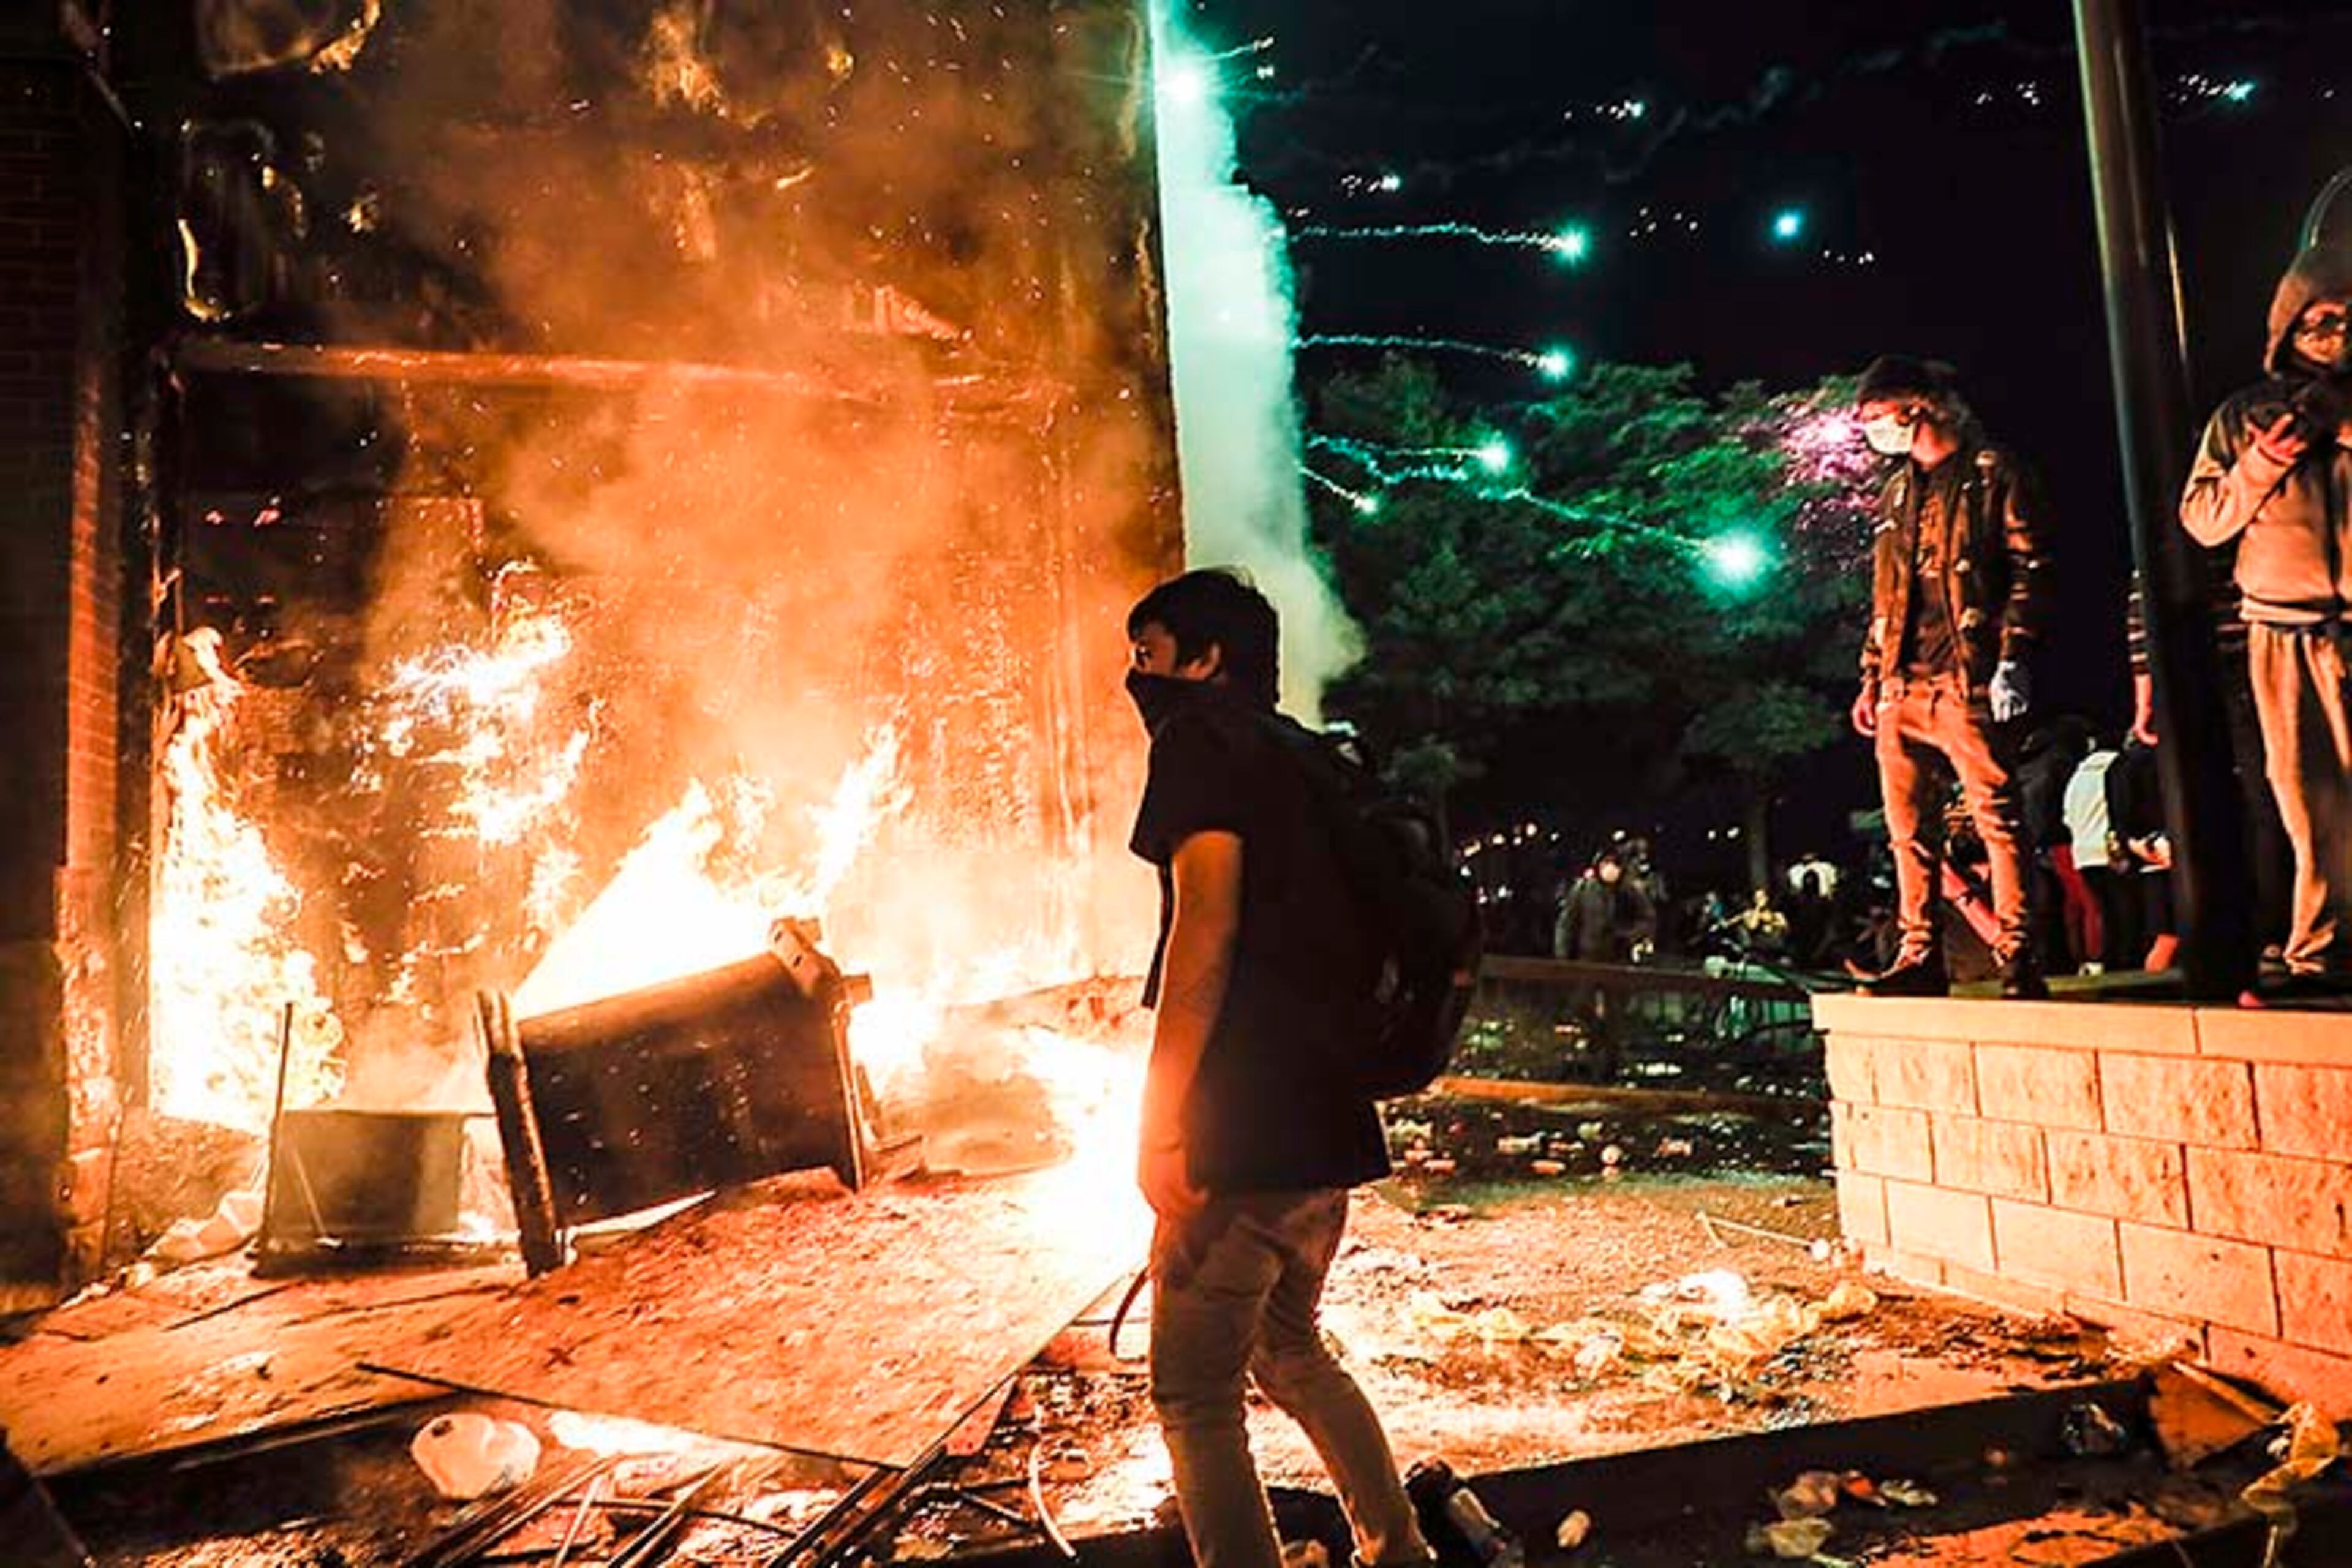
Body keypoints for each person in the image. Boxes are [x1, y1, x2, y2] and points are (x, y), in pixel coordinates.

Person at [1122, 568, 1431, 1568]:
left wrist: (1162, 1118)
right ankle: (1400, 1550)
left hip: (1244, 1128)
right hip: (1327, 1123)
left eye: (1150, 655)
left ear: (1207, 662)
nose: (1137, 678)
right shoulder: (1309, 758)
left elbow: (1204, 931)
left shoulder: (1200, 742)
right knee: (1293, 1351)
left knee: (1194, 1398)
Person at [1849, 355, 2053, 998]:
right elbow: (1885, 590)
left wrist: (2014, 653)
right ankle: (1918, 956)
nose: (1872, 430)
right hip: (1900, 686)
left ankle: (2019, 951)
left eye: (1878, 417)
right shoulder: (1897, 492)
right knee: (1908, 831)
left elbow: (2033, 566)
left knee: (1996, 815)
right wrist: (1870, 676)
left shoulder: (1995, 473)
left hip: (1967, 676)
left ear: (1919, 406)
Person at [2181, 246, 2352, 979]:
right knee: (2304, 792)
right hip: (2282, 625)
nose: (2333, 330)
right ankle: (2323, 940)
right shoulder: (2244, 415)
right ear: (2288, 329)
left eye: (2346, 317)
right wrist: (2264, 463)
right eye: (2317, 319)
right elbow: (2202, 518)